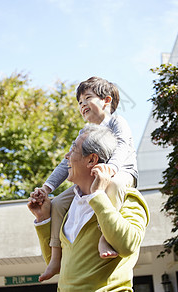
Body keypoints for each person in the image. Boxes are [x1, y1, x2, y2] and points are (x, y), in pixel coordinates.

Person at [33, 77, 138, 280]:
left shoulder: (117, 122)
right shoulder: (85, 132)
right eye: (79, 102)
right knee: (57, 205)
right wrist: (47, 188)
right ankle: (55, 257)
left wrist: (111, 168)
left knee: (113, 185)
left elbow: (123, 146)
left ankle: (105, 237)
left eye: (87, 98)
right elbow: (67, 163)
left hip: (122, 173)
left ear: (106, 101)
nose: (82, 105)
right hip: (91, 179)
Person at [28, 124, 149, 292]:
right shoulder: (66, 208)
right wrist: (42, 219)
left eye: (73, 150)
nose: (66, 156)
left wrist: (98, 195)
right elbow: (57, 264)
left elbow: (128, 245)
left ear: (91, 160)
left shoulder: (127, 198)